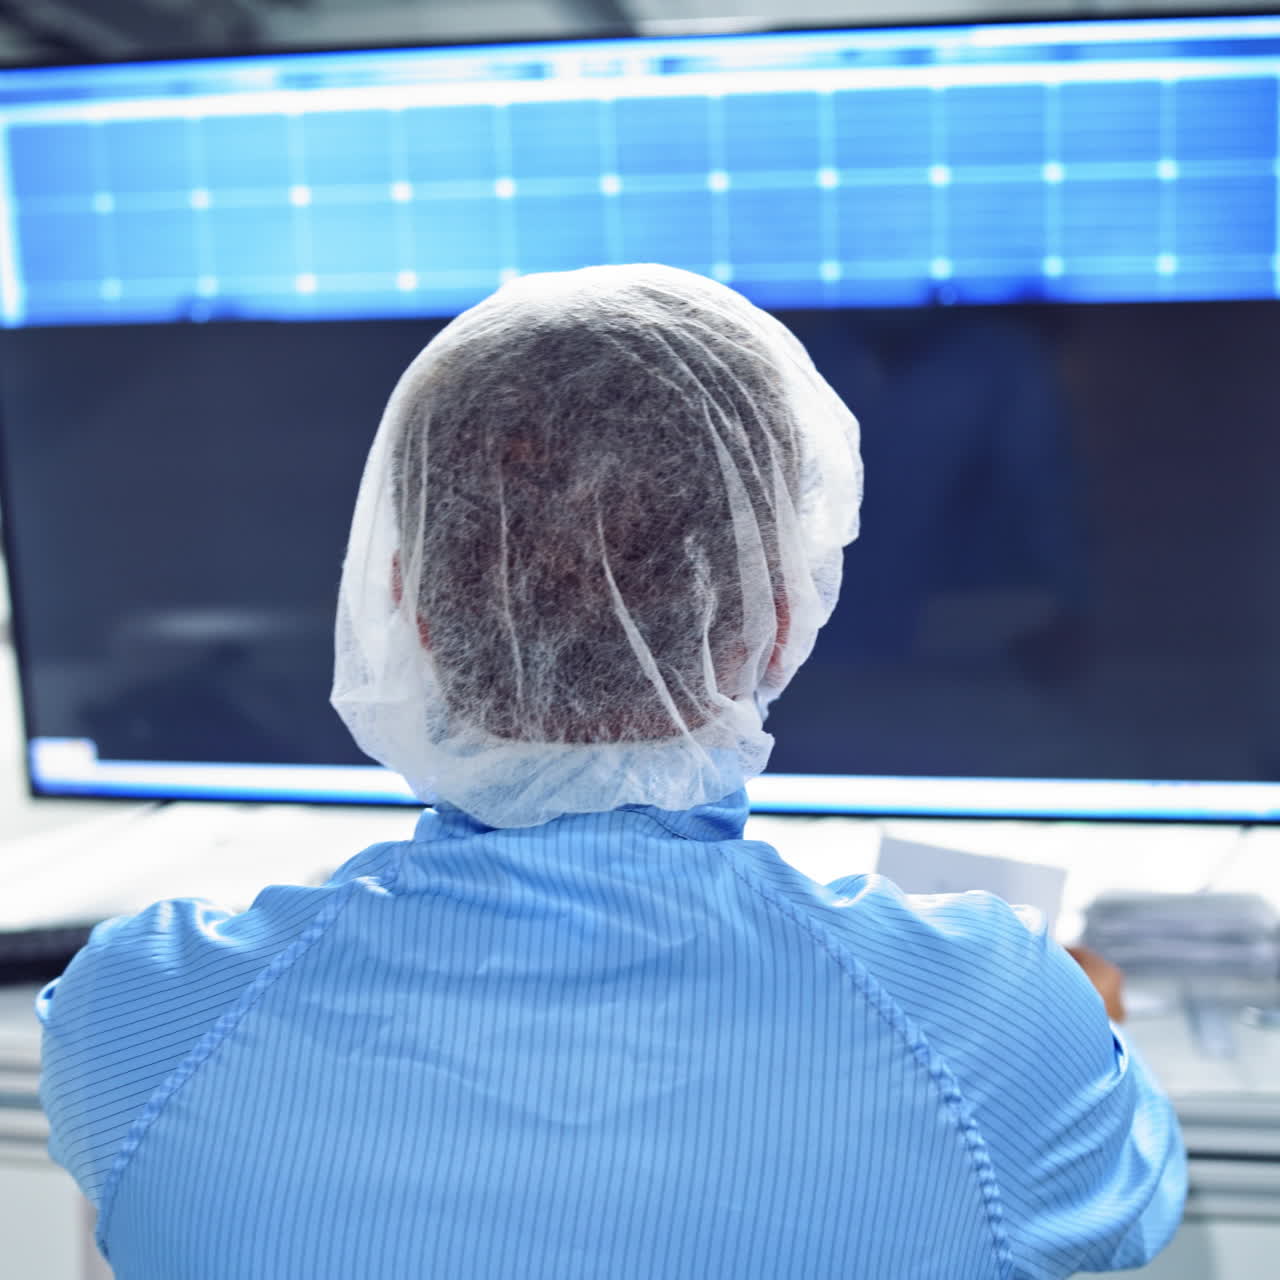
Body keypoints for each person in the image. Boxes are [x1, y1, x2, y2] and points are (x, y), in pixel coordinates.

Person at [37, 264, 1183, 1278]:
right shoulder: (986, 1017)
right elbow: (1124, 1204)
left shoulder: (138, 1010)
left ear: (405, 604)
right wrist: (1073, 1016)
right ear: (782, 609)